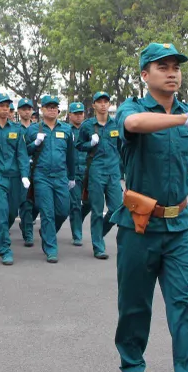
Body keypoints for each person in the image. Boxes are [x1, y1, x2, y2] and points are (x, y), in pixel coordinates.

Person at [111, 42, 188, 372]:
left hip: (181, 226)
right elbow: (134, 125)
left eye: (176, 66)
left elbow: (187, 162)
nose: (172, 72)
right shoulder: (133, 109)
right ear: (145, 75)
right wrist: (180, 119)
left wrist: (185, 119)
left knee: (186, 301)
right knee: (135, 303)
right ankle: (132, 364)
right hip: (140, 224)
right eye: (163, 67)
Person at [0, 92, 30, 265]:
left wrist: (25, 174)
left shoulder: (16, 129)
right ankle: (5, 249)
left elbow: (22, 154)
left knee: (11, 213)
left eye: (7, 105)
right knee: (1, 211)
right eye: (1, 105)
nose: (4, 108)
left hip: (15, 176)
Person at [25, 95, 76, 264]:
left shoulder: (66, 129)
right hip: (42, 176)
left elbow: (70, 155)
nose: (52, 109)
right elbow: (25, 152)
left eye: (55, 107)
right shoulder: (33, 130)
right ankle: (51, 249)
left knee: (63, 210)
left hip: (61, 176)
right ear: (42, 110)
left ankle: (47, 232)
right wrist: (35, 144)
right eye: (48, 107)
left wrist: (72, 177)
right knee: (47, 212)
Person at [77, 92, 124, 259]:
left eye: (106, 101)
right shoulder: (87, 126)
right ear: (94, 105)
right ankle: (98, 247)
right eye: (99, 102)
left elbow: (121, 148)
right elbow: (79, 145)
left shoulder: (116, 125)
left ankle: (99, 234)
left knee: (117, 209)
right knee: (97, 210)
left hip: (113, 172)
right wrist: (90, 143)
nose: (103, 104)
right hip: (96, 171)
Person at [67, 102, 89, 247]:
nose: (79, 116)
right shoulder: (66, 130)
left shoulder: (88, 130)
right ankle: (77, 234)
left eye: (81, 113)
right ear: (70, 115)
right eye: (76, 113)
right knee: (75, 204)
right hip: (73, 172)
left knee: (91, 201)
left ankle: (77, 221)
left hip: (88, 171)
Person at [15, 98, 37, 247]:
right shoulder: (15, 128)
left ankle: (26, 223)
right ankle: (28, 232)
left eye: (29, 109)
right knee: (25, 202)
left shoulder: (37, 128)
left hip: (38, 168)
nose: (27, 111)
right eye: (23, 109)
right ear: (19, 111)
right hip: (21, 169)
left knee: (38, 202)